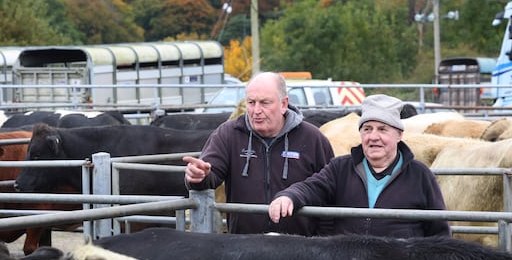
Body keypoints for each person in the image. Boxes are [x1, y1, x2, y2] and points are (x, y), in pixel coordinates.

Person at [268, 94, 451, 238]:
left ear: (399, 135)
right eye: (367, 129)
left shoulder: (419, 175)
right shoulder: (341, 168)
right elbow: (312, 187)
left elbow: (439, 231)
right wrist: (289, 196)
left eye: (382, 129)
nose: (373, 137)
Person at [183, 72, 335, 235]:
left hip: (298, 248)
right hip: (245, 246)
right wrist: (198, 177)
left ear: (284, 104)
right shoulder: (228, 134)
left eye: (264, 103)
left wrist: (320, 241)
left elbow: (331, 192)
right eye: (251, 102)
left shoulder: (312, 139)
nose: (256, 110)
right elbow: (210, 176)